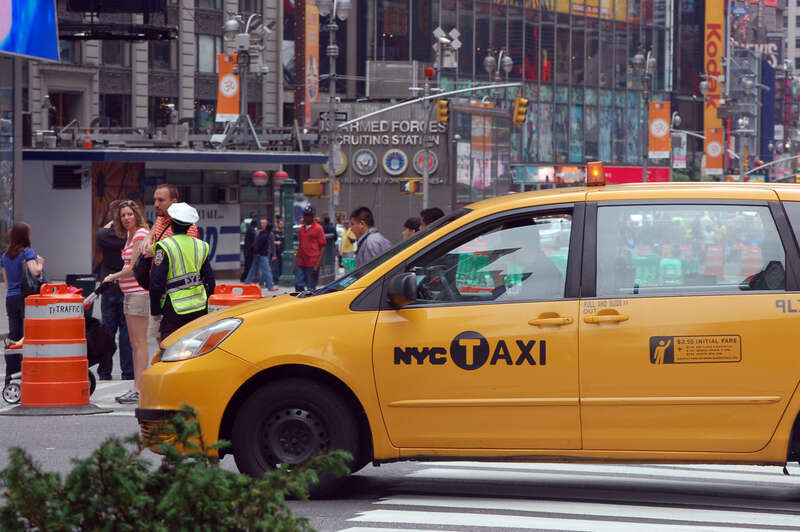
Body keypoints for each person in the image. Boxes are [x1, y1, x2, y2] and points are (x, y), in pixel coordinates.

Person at [101, 200, 150, 404]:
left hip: (138, 293)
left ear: (136, 215)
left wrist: (112, 277)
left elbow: (133, 267)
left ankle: (139, 388)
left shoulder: (139, 234)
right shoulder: (130, 235)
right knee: (133, 342)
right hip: (130, 294)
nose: (126, 218)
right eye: (122, 215)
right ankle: (137, 387)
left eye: (130, 214)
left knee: (139, 343)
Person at [140, 184, 199, 340]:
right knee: (160, 339)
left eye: (161, 200)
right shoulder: (160, 219)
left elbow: (188, 256)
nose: (156, 204)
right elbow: (156, 228)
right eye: (155, 200)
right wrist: (148, 236)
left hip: (176, 297)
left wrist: (159, 250)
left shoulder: (187, 227)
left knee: (174, 342)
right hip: (159, 291)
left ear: (174, 202)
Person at [149, 202, 216, 341]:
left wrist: (155, 311)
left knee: (171, 351)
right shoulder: (201, 246)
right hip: (199, 307)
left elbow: (156, 284)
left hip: (173, 310)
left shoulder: (164, 246)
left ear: (172, 224)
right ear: (190, 225)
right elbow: (210, 280)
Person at [95, 200, 133, 380]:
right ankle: (128, 372)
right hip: (127, 286)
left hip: (108, 286)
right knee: (126, 333)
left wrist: (107, 225)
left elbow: (102, 232)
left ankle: (104, 371)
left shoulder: (103, 234)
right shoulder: (130, 236)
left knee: (107, 332)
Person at [1, 223, 44, 384]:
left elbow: (6, 282)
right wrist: (40, 263)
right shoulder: (27, 252)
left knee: (14, 336)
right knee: (29, 336)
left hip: (10, 298)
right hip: (25, 298)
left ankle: (10, 376)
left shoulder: (4, 256)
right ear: (25, 236)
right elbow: (35, 271)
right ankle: (29, 373)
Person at [295, 205, 326, 292]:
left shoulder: (318, 228)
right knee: (297, 283)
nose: (306, 217)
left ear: (312, 216)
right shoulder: (301, 229)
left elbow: (323, 246)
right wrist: (296, 264)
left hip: (312, 262)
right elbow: (300, 246)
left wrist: (318, 265)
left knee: (311, 288)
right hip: (301, 262)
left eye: (308, 215)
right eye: (305, 215)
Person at [245, 218, 278, 290]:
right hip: (262, 253)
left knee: (255, 268)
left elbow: (271, 244)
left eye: (264, 223)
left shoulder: (263, 233)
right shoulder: (262, 233)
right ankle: (270, 285)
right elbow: (258, 244)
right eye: (262, 223)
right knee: (266, 269)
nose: (263, 224)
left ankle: (249, 282)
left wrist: (274, 254)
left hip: (262, 253)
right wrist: (257, 252)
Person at [241, 215, 258, 282]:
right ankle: (244, 278)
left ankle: (245, 278)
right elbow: (255, 238)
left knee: (248, 266)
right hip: (249, 252)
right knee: (248, 266)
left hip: (248, 251)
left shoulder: (250, 229)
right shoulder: (251, 230)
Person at [272, 214, 284, 281]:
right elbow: (271, 241)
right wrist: (276, 242)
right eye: (280, 224)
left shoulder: (283, 232)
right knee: (275, 266)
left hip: (281, 252)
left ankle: (279, 278)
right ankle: (275, 280)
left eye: (282, 224)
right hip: (276, 252)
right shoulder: (274, 232)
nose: (282, 225)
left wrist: (281, 242)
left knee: (281, 266)